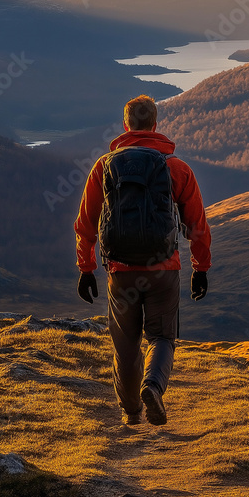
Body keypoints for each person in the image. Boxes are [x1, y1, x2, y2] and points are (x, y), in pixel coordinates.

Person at [74, 94, 211, 427]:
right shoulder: (176, 168)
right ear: (154, 124)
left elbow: (86, 223)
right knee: (162, 338)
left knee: (125, 344)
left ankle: (132, 412)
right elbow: (197, 225)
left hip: (120, 271)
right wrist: (200, 268)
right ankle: (154, 385)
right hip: (163, 269)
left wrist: (86, 268)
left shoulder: (103, 167)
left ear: (126, 125)